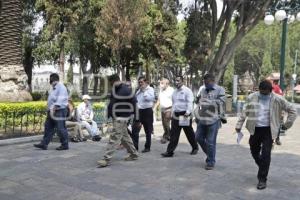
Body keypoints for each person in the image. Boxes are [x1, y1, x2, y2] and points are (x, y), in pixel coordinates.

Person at [235, 79, 297, 190]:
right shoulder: (252, 97)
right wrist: (239, 125)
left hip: (269, 130)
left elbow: (293, 110)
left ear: (270, 90)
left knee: (266, 154)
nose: (263, 94)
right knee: (254, 151)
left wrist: (287, 125)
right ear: (259, 89)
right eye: (261, 92)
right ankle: (263, 166)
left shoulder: (278, 99)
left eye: (265, 93)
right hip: (255, 129)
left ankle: (262, 179)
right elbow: (245, 112)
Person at [97, 75, 138, 168]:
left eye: (111, 83)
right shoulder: (114, 90)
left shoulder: (126, 90)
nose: (111, 85)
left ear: (115, 81)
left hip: (122, 117)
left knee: (114, 137)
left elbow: (135, 103)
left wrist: (137, 118)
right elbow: (111, 103)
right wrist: (108, 115)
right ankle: (134, 154)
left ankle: (106, 159)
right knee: (124, 137)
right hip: (116, 117)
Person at [161, 75, 199, 157]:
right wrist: (172, 113)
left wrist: (187, 112)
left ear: (183, 81)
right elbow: (174, 103)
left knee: (189, 133)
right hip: (176, 115)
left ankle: (195, 147)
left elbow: (190, 102)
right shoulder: (175, 92)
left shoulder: (187, 91)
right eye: (175, 80)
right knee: (174, 134)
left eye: (178, 80)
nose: (176, 82)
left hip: (185, 114)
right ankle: (169, 151)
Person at [194, 74, 226, 170]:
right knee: (198, 137)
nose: (206, 84)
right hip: (203, 118)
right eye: (204, 83)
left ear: (213, 81)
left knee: (210, 142)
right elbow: (199, 103)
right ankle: (210, 154)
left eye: (207, 83)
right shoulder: (203, 90)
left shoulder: (220, 89)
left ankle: (210, 161)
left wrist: (210, 102)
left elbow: (222, 102)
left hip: (214, 119)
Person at [34, 73, 69, 150]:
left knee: (60, 128)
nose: (50, 81)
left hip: (59, 110)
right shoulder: (53, 88)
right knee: (48, 127)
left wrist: (54, 108)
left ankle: (65, 144)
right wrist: (48, 109)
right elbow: (51, 100)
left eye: (50, 79)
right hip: (51, 111)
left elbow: (60, 99)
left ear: (53, 80)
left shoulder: (61, 87)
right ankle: (44, 143)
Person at [131, 76, 155, 152]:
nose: (140, 83)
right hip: (139, 112)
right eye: (139, 82)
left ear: (146, 82)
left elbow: (150, 99)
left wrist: (144, 91)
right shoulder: (138, 90)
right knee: (135, 130)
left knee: (147, 130)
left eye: (142, 82)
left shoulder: (150, 89)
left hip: (147, 111)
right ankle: (135, 147)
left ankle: (147, 147)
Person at [155, 78, 174, 144]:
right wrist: (154, 107)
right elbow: (159, 100)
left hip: (169, 108)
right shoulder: (161, 90)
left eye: (162, 83)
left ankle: (166, 136)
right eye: (161, 83)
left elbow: (174, 100)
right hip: (162, 109)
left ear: (167, 84)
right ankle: (170, 135)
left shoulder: (171, 90)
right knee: (164, 124)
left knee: (166, 122)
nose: (161, 84)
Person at [272, 79, 284, 145]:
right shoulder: (279, 89)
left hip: (274, 109)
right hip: (279, 108)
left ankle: (273, 139)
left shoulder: (274, 87)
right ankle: (277, 139)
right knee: (278, 124)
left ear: (273, 82)